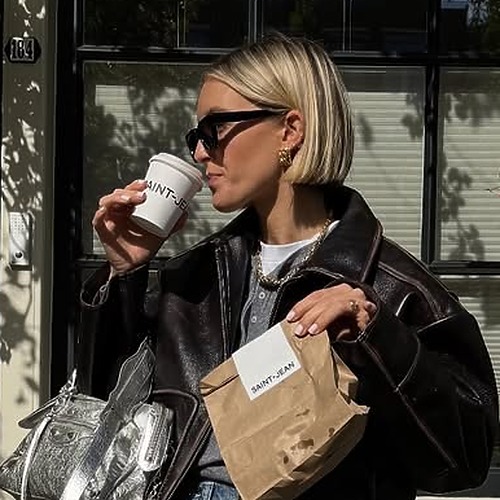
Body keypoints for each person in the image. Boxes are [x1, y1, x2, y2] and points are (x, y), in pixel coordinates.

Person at [80, 34, 499, 500]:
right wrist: (125, 272)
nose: (200, 152)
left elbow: (464, 461)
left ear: (290, 130)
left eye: (215, 127)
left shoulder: (393, 287)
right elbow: (103, 414)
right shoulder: (194, 278)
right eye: (196, 136)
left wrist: (375, 335)